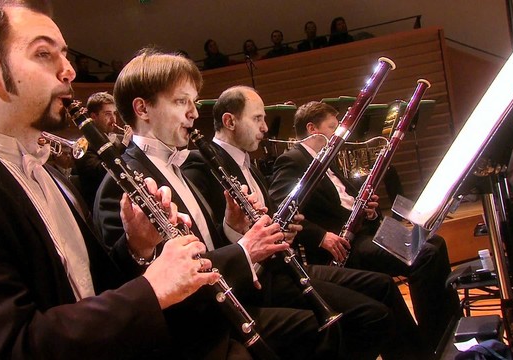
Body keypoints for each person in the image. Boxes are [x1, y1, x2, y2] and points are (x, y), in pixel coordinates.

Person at [0, 1, 220, 358]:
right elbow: (10, 347)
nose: (68, 71)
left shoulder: (48, 171)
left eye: (64, 55)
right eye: (44, 54)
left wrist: (137, 249)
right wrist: (151, 291)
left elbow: (87, 290)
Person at [95, 48, 341, 359]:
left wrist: (233, 227)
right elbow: (138, 286)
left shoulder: (180, 166)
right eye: (181, 101)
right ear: (142, 109)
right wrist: (244, 250)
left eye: (193, 103)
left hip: (226, 305)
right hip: (193, 332)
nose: (194, 113)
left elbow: (206, 246)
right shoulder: (120, 185)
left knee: (333, 329)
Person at [182, 85, 428, 360]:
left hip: (281, 264)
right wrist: (244, 232)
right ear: (230, 122)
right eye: (257, 119)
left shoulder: (247, 162)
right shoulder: (202, 166)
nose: (265, 128)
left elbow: (270, 217)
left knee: (383, 286)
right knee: (371, 316)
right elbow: (215, 237)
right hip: (257, 278)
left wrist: (286, 228)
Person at [269, 101, 461, 354]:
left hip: (362, 232)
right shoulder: (292, 160)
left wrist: (368, 210)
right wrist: (320, 236)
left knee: (435, 243)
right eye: (332, 127)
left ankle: (450, 330)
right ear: (312, 128)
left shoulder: (327, 157)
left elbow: (346, 199)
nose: (339, 133)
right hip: (342, 245)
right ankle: (435, 340)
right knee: (424, 255)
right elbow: (280, 207)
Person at [74, 91, 132, 207]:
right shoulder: (83, 144)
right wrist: (124, 145)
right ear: (93, 117)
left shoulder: (119, 139)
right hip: (101, 205)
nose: (113, 119)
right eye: (107, 114)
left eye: (114, 113)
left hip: (121, 200)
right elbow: (101, 173)